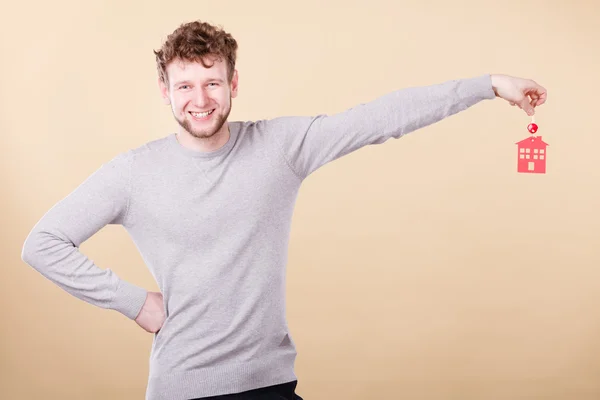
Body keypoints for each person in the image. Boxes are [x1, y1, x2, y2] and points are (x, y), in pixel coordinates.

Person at [21, 19, 547, 400]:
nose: (199, 99)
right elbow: (42, 243)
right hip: (183, 388)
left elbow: (378, 118)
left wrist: (488, 86)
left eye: (212, 82)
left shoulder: (280, 147)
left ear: (233, 84)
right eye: (184, 85)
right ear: (165, 91)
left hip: (270, 383)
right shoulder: (134, 173)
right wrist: (134, 302)